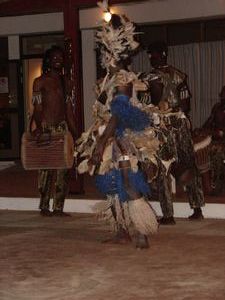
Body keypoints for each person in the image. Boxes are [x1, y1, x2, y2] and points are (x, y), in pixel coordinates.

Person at [75, 8, 159, 249]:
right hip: (106, 136)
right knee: (111, 183)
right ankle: (122, 231)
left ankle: (141, 231)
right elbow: (103, 112)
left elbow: (119, 114)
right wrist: (98, 139)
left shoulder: (123, 79)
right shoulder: (107, 80)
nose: (103, 56)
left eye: (106, 52)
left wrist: (102, 143)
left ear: (114, 53)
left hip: (120, 139)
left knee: (127, 180)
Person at [143, 41, 205, 224]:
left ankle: (169, 214)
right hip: (180, 125)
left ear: (163, 54)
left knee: (163, 168)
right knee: (187, 165)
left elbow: (150, 104)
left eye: (153, 55)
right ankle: (196, 208)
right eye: (149, 55)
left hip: (164, 128)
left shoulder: (151, 78)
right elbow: (186, 105)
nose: (151, 58)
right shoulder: (179, 76)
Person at [32, 46, 76, 217]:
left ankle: (58, 208)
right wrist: (40, 127)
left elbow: (69, 110)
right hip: (46, 127)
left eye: (60, 57)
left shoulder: (66, 82)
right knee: (45, 169)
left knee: (63, 169)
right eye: (54, 58)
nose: (58, 60)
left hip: (62, 129)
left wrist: (75, 133)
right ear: (48, 61)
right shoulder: (39, 81)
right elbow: (37, 107)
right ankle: (44, 206)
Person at [202, 86, 225, 195]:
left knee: (217, 150)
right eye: (223, 95)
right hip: (216, 138)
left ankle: (218, 181)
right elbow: (210, 121)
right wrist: (201, 130)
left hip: (221, 141)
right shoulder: (217, 108)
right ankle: (205, 182)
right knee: (201, 148)